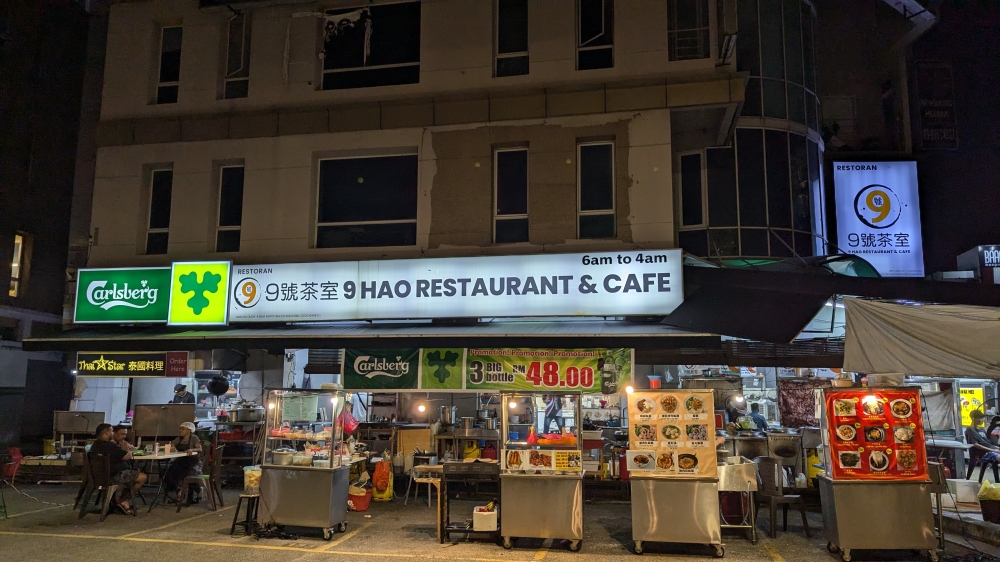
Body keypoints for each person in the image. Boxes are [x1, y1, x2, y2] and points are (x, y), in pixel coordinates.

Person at [90, 423, 147, 515]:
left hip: (99, 476)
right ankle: (122, 500)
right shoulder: (109, 445)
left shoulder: (95, 445)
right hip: (112, 476)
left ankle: (117, 501)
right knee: (142, 477)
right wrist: (130, 451)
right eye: (111, 431)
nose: (112, 433)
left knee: (133, 472)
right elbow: (126, 456)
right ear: (106, 432)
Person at [162, 421, 203, 503]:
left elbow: (200, 449)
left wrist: (192, 449)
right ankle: (178, 491)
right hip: (180, 461)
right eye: (180, 429)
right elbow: (171, 445)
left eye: (183, 429)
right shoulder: (179, 438)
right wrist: (171, 447)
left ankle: (198, 490)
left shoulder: (194, 438)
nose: (180, 431)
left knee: (184, 473)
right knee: (167, 473)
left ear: (189, 430)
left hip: (191, 461)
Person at [965, 411, 1000, 481]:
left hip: (991, 449)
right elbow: (976, 444)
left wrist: (996, 447)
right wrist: (993, 450)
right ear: (973, 418)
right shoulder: (970, 429)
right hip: (982, 453)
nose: (982, 420)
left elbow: (987, 442)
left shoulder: (982, 429)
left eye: (982, 418)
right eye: (980, 418)